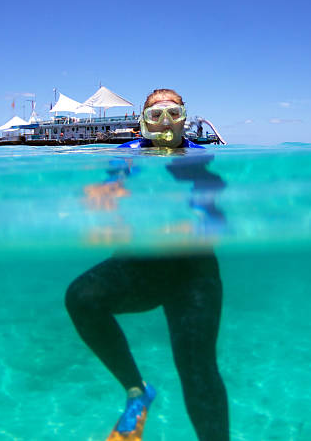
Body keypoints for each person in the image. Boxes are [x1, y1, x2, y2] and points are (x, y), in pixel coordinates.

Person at [65, 88, 229, 440]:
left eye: (173, 114)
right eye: (155, 116)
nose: (165, 123)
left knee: (197, 370)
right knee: (81, 297)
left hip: (192, 272)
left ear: (186, 118)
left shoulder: (200, 158)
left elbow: (214, 206)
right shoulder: (126, 155)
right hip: (141, 265)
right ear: (142, 123)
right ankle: (137, 391)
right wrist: (103, 208)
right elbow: (108, 187)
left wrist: (198, 223)